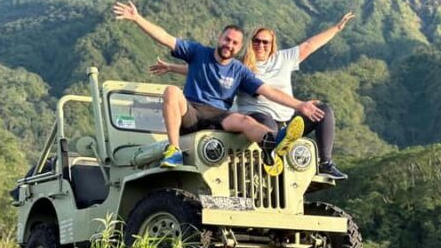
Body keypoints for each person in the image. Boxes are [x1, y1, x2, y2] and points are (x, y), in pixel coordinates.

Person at [112, 1, 324, 170]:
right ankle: (173, 150)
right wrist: (137, 18)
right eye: (227, 39)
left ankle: (273, 142)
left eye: (234, 43)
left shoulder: (239, 70)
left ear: (240, 47)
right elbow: (166, 38)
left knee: (244, 120)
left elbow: (268, 91)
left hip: (219, 115)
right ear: (219, 38)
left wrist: (300, 105)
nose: (229, 45)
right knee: (172, 91)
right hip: (191, 111)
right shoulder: (198, 52)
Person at [151, 12, 354, 179]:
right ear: (248, 44)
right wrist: (171, 67)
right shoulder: (241, 65)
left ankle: (322, 161)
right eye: (256, 41)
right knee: (260, 123)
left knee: (322, 111)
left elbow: (308, 47)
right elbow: (205, 70)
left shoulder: (281, 59)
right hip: (257, 114)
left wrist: (336, 28)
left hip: (276, 116)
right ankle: (270, 154)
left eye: (265, 42)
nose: (261, 45)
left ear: (272, 44)